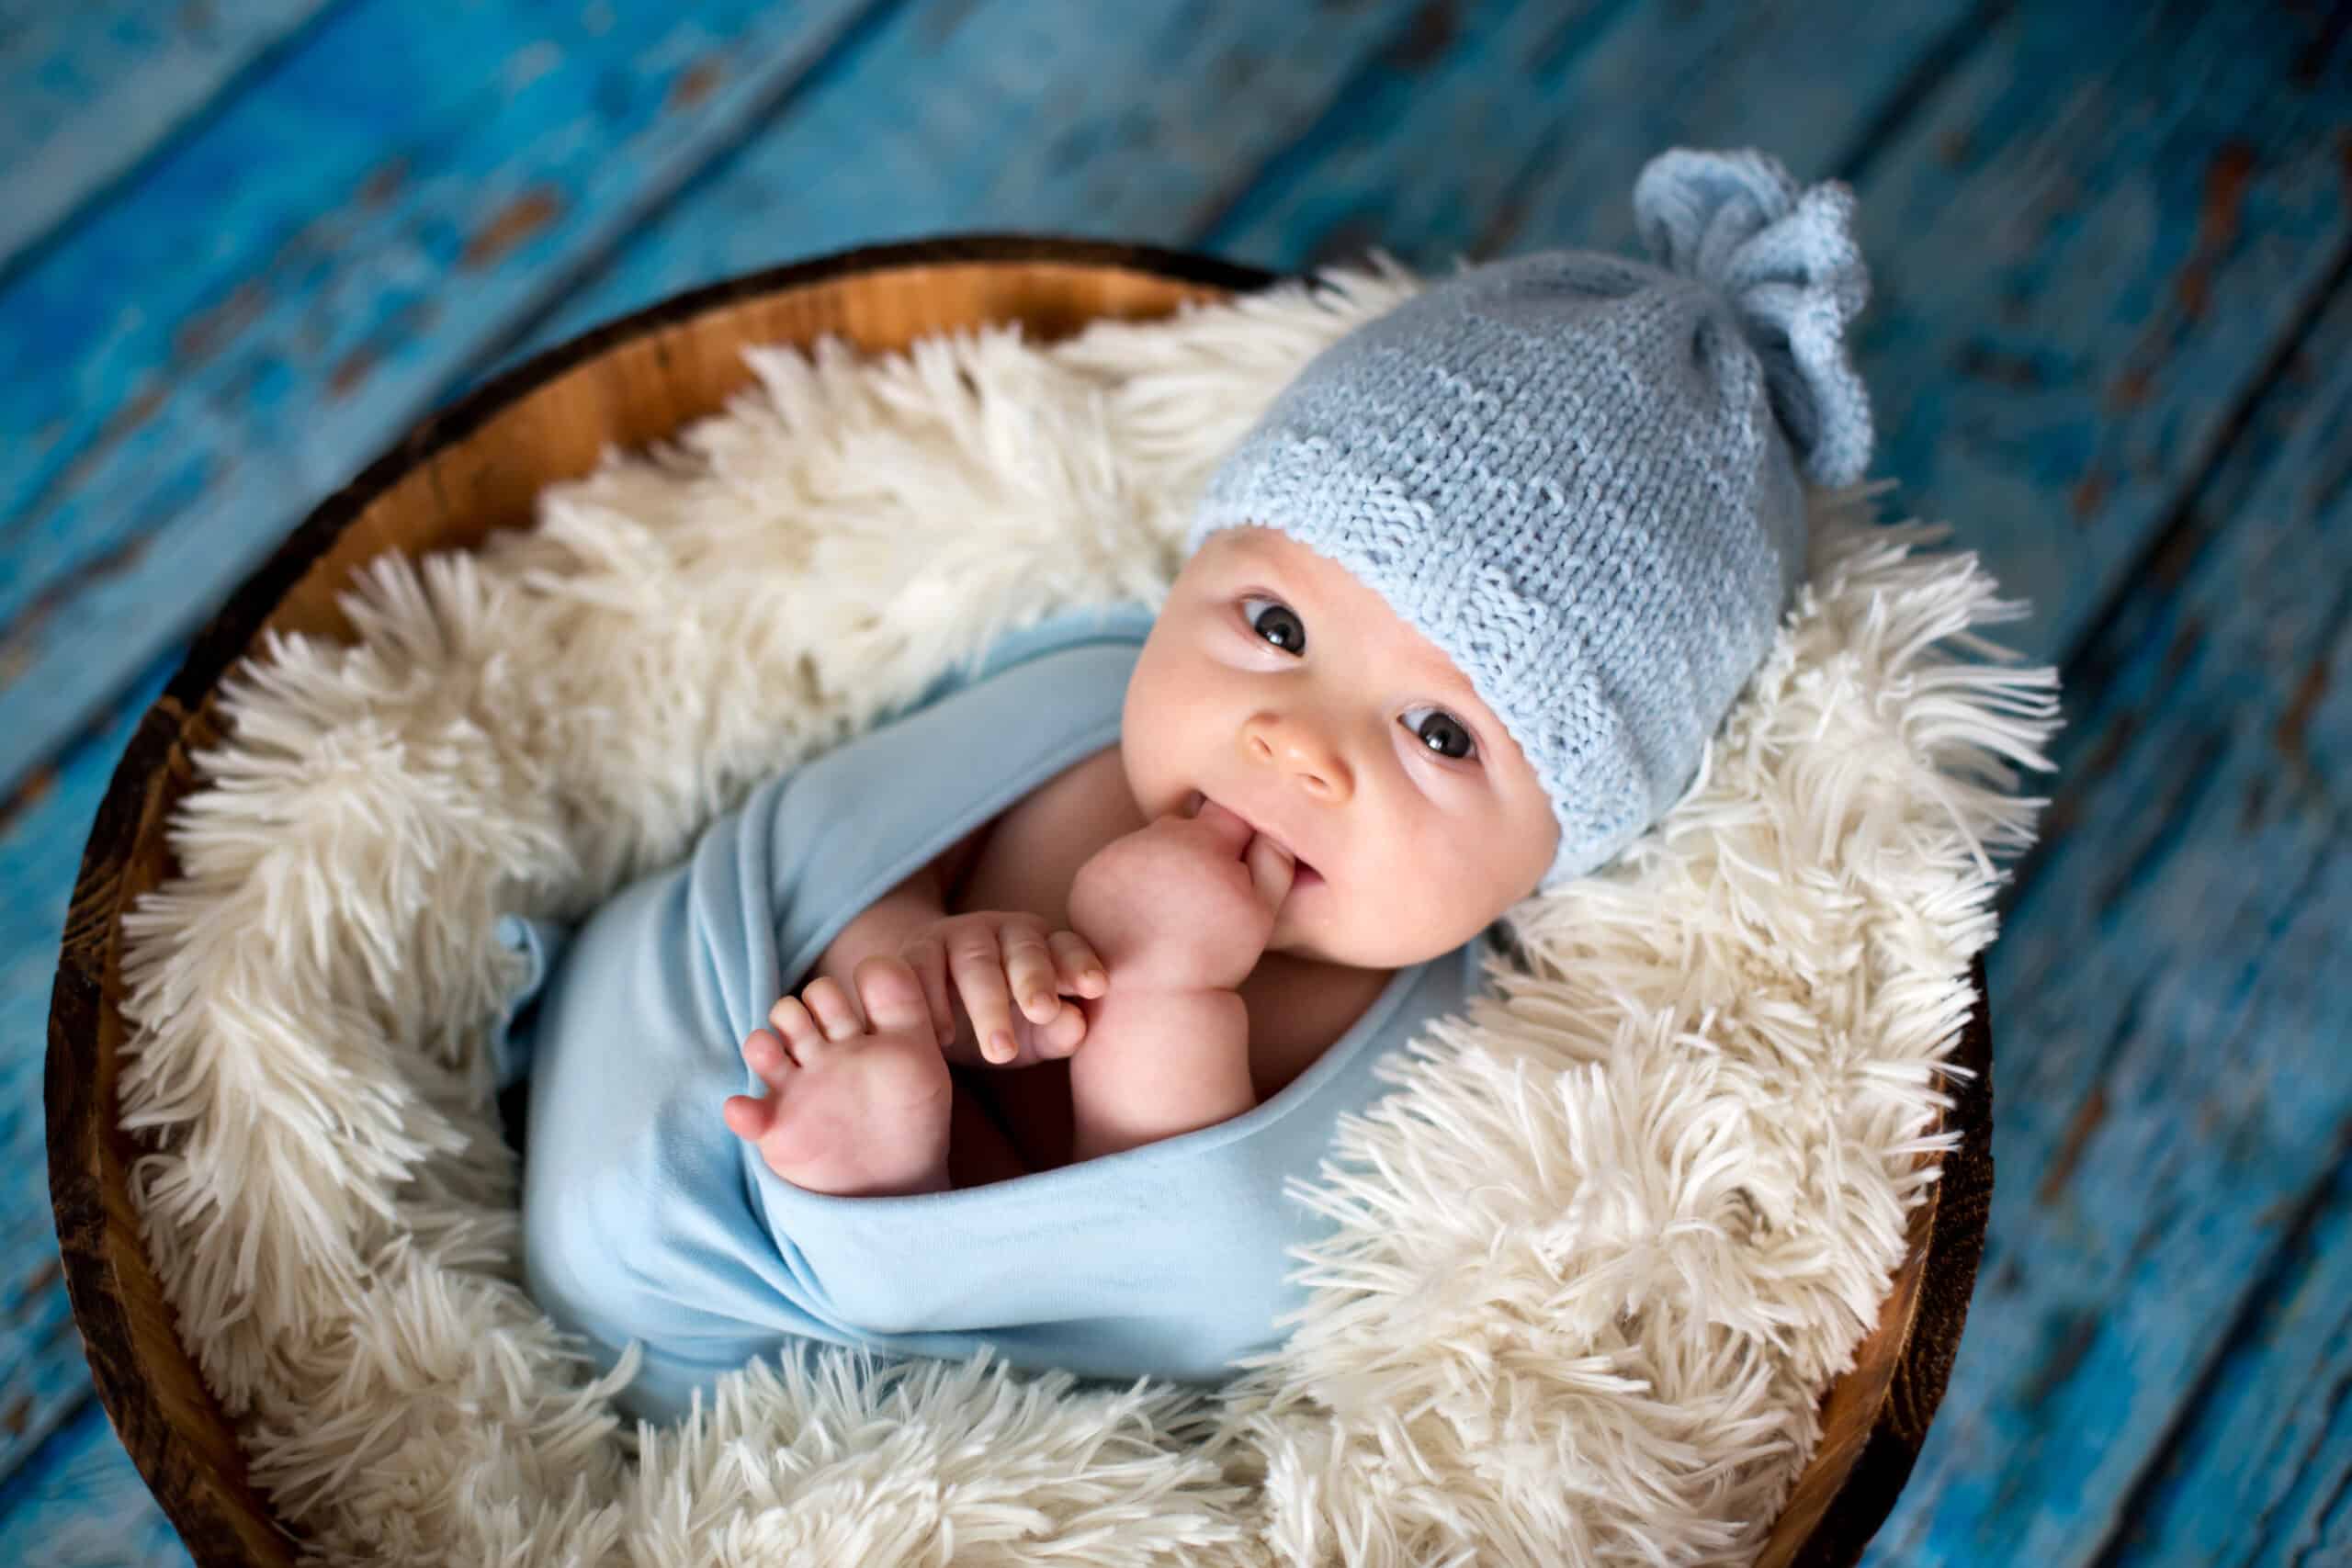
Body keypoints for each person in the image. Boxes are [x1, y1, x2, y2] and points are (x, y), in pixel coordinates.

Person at [498, 144, 1875, 1424]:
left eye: (1443, 736)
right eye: (1274, 630)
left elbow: (1188, 1266)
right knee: (816, 972)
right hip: (684, 1085)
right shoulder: (1081, 699)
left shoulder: (1453, 1043)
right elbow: (848, 820)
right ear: (1193, 575)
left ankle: (890, 1191)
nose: (1298, 743)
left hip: (848, 1351)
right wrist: (899, 959)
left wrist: (1166, 992)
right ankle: (864, 1125)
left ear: (1567, 843)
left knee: (1124, 1292)